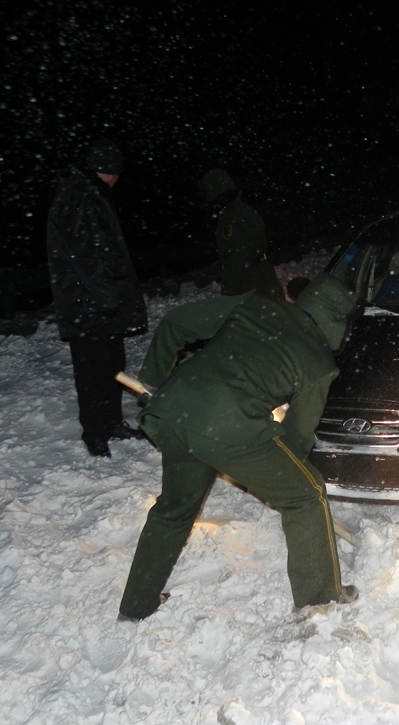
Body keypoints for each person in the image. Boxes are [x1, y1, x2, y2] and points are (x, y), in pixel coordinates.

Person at [118, 273, 360, 621]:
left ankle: (136, 605)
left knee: (174, 509)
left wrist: (153, 377)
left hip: (174, 410)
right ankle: (319, 601)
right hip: (228, 424)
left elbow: (176, 322)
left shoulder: (258, 304)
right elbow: (297, 439)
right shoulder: (321, 363)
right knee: (307, 495)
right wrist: (277, 481)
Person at [46, 139, 148, 458]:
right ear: (110, 170)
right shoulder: (81, 197)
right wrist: (106, 299)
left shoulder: (88, 193)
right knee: (92, 370)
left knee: (112, 365)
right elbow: (88, 256)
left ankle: (112, 423)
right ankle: (95, 432)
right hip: (87, 306)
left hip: (99, 305)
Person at [199, 168, 284, 299]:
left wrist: (229, 289)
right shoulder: (245, 209)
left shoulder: (230, 216)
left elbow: (235, 255)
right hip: (264, 274)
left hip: (247, 281)